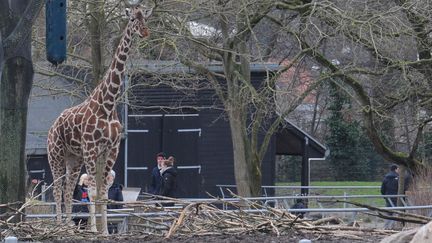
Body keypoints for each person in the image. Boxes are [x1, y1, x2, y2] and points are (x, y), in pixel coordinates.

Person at [380, 164, 399, 229]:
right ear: (396, 169)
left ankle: (386, 227)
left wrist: (385, 196)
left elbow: (382, 189)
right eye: (398, 169)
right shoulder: (399, 178)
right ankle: (392, 226)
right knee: (397, 211)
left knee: (389, 212)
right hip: (397, 197)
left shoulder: (385, 178)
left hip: (388, 197)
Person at [107, 170, 124, 234]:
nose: (108, 177)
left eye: (109, 175)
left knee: (115, 228)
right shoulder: (104, 187)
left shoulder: (117, 187)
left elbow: (120, 200)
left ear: (113, 177)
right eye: (107, 175)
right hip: (105, 211)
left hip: (114, 210)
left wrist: (118, 212)